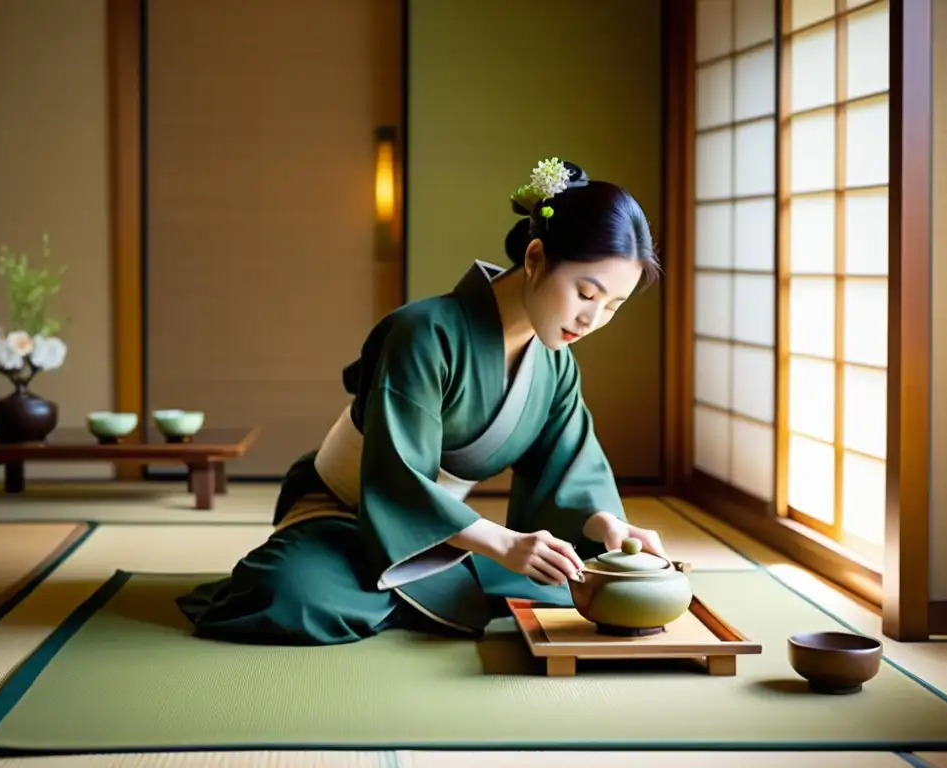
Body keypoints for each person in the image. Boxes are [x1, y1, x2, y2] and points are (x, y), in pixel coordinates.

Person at [176, 158, 668, 646]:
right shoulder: (423, 333)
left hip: (442, 536)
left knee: (570, 581)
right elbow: (395, 475)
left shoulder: (555, 364)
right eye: (586, 293)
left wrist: (605, 524)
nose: (592, 320)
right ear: (535, 258)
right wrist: (502, 543)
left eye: (612, 307)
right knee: (288, 595)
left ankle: (423, 588)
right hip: (349, 515)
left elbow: (569, 468)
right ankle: (437, 586)